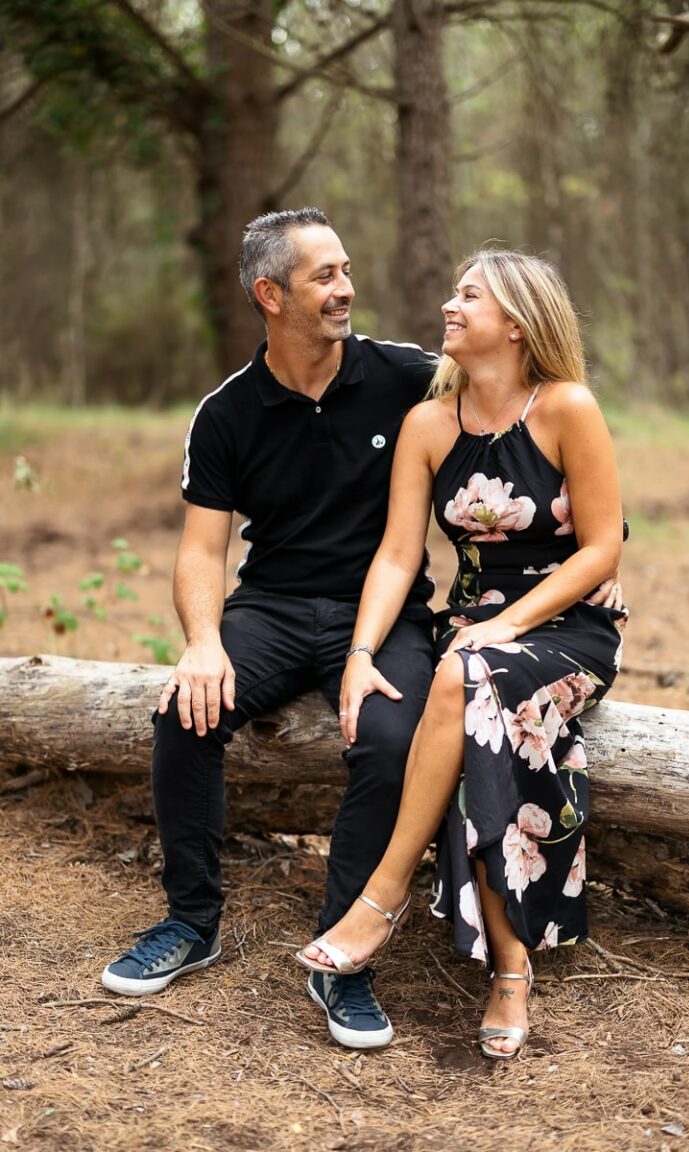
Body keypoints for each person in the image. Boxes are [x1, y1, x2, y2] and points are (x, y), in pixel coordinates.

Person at [100, 207, 439, 1050]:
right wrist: (203, 641)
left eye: (346, 270)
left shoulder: (408, 376)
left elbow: (523, 410)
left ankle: (343, 957)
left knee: (391, 739)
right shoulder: (226, 413)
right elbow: (200, 551)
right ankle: (192, 921)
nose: (346, 288)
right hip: (275, 608)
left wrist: (595, 538)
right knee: (184, 714)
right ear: (270, 295)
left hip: (385, 611)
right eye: (325, 276)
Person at [297, 248, 628, 1059]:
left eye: (469, 296)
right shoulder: (428, 424)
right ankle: (511, 968)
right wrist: (361, 651)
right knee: (470, 693)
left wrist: (511, 623)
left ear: (516, 324)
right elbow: (397, 555)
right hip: (474, 630)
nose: (450, 306)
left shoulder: (567, 407)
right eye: (454, 292)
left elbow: (602, 548)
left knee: (464, 677)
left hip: (567, 624)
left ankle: (381, 899)